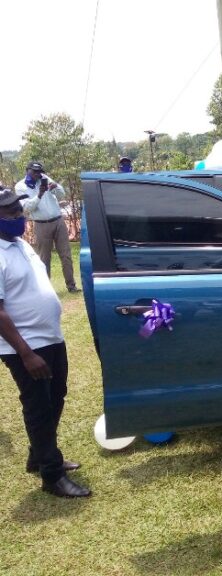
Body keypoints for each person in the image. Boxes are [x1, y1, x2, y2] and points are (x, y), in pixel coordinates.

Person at [0, 187, 90, 498]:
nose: (17, 217)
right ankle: (51, 475)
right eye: (9, 214)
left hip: (49, 337)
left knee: (56, 396)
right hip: (25, 346)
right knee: (39, 405)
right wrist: (25, 354)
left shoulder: (18, 244)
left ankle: (39, 454)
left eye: (17, 211)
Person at [15, 162, 80, 293]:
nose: (38, 174)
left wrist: (56, 187)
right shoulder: (20, 186)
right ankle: (46, 290)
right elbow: (27, 208)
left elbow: (62, 194)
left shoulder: (44, 178)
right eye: (35, 171)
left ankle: (71, 286)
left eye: (39, 171)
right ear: (27, 170)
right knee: (44, 258)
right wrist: (39, 194)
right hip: (41, 224)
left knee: (66, 255)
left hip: (58, 221)